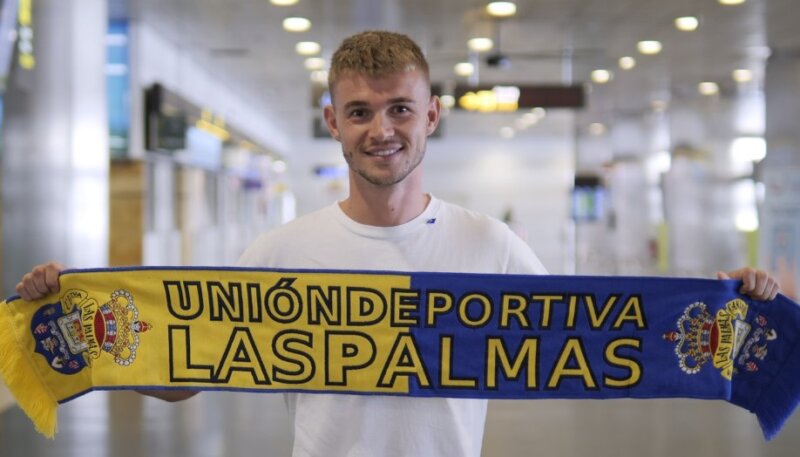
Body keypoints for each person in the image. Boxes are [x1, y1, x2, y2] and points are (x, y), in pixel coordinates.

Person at [16, 31, 781, 457]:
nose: (381, 129)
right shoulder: (283, 250)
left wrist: (729, 311)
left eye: (399, 109)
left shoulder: (494, 243)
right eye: (359, 111)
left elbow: (590, 341)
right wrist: (77, 328)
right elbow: (188, 372)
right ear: (333, 123)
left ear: (432, 116)